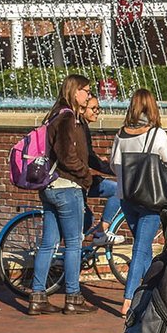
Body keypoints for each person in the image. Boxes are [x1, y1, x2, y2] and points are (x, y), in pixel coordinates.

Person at [29, 75, 102, 316]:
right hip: (67, 187)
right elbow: (67, 155)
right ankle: (73, 297)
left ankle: (37, 297)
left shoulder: (56, 115)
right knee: (73, 244)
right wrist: (85, 176)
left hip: (50, 188)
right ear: (75, 91)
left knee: (48, 243)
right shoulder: (68, 118)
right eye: (86, 91)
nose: (89, 95)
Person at [111, 88, 167, 307]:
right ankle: (129, 298)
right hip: (151, 199)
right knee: (140, 246)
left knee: (144, 245)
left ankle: (149, 294)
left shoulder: (121, 134)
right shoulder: (157, 134)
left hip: (126, 197)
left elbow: (113, 163)